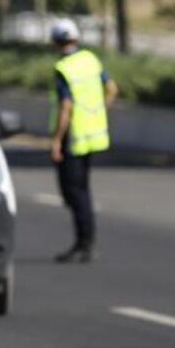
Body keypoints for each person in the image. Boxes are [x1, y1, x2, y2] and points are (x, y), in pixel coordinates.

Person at [49, 18, 118, 263]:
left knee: (75, 193)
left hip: (74, 138)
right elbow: (112, 88)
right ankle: (84, 241)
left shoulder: (64, 68)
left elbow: (65, 106)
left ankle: (84, 243)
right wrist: (98, 112)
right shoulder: (90, 59)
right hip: (93, 135)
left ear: (55, 42)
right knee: (82, 191)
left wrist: (57, 140)